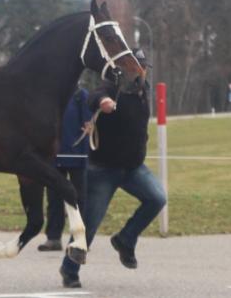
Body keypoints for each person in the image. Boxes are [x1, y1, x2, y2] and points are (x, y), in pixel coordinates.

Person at [59, 49, 167, 288]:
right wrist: (103, 102)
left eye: (141, 66)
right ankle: (69, 269)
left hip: (133, 168)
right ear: (124, 67)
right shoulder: (112, 86)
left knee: (157, 198)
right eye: (133, 66)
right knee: (89, 225)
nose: (138, 70)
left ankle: (125, 240)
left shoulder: (143, 88)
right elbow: (94, 96)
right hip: (103, 170)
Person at [37, 85, 92, 252]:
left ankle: (80, 238)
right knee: (53, 198)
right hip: (53, 156)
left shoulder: (80, 96)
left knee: (79, 198)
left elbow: (89, 124)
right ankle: (53, 238)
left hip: (77, 155)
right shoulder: (49, 95)